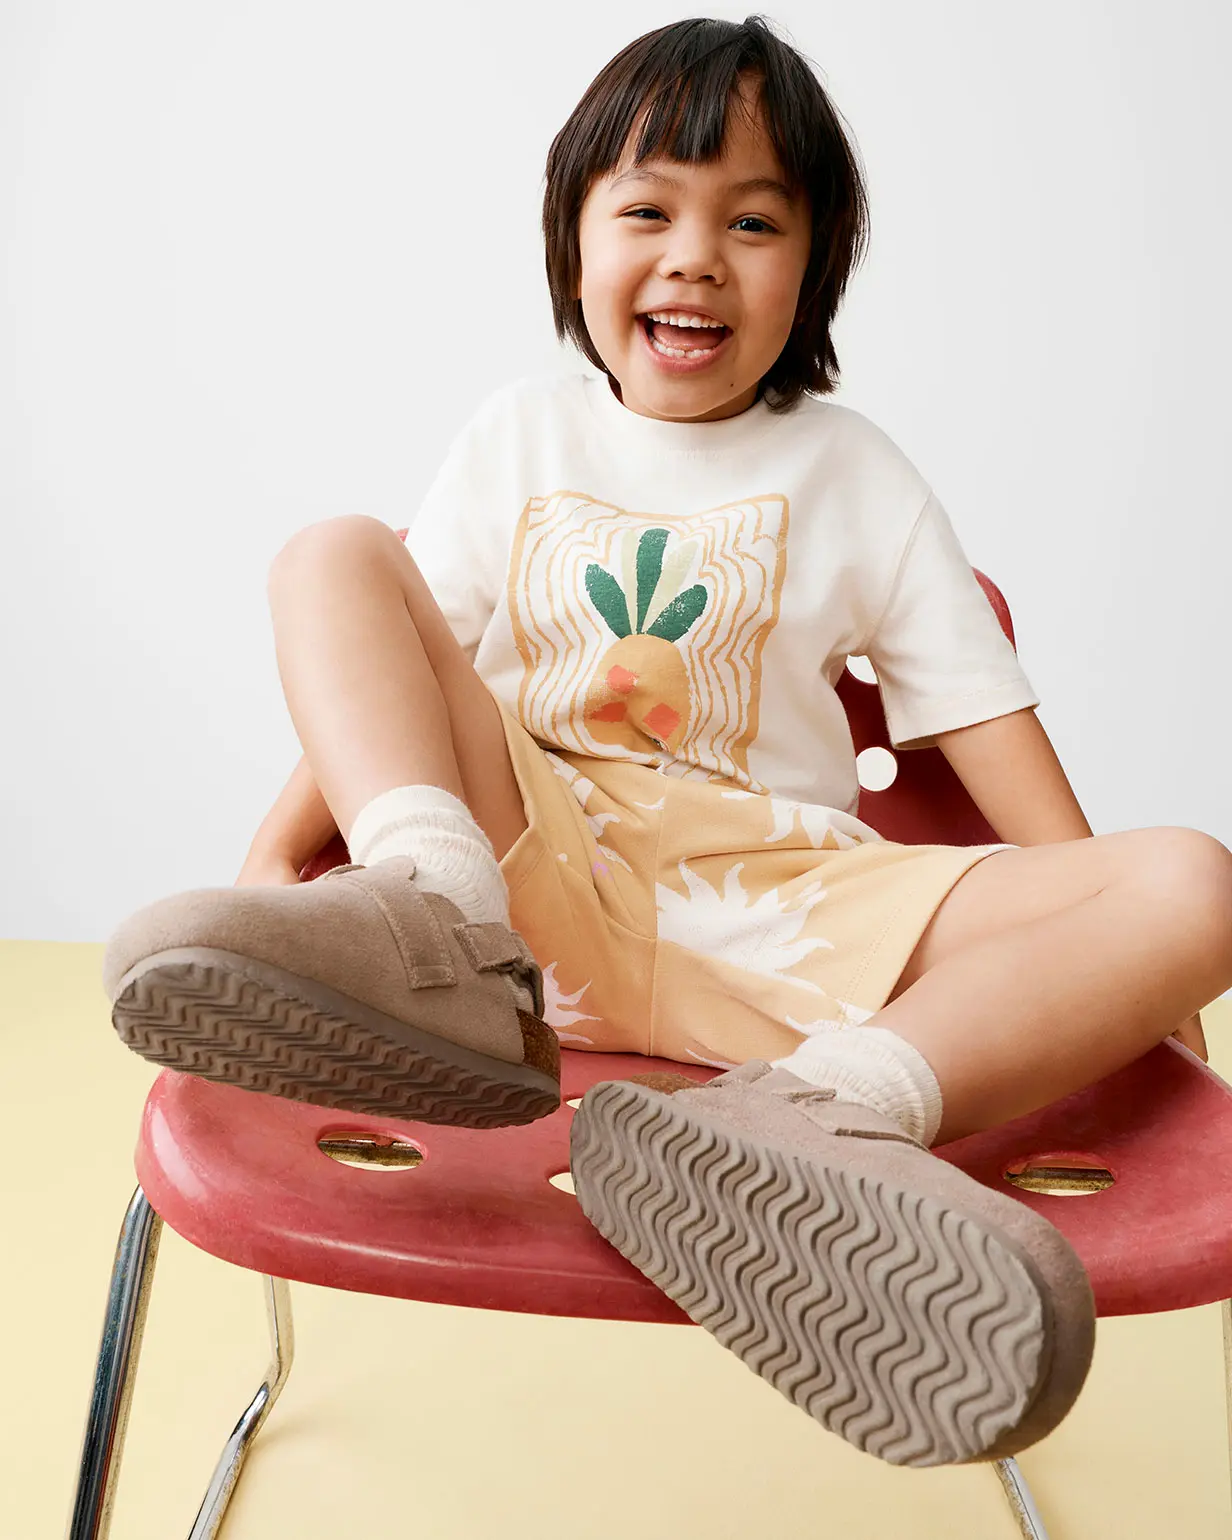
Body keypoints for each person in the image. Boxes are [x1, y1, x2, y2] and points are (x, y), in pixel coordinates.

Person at [102, 16, 1232, 1471]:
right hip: (529, 897)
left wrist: (1134, 969)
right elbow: (392, 651)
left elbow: (998, 743)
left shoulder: (858, 473)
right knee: (331, 554)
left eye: (753, 222)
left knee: (1200, 882)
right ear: (573, 245)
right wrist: (274, 868)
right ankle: (426, 931)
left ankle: (816, 1124)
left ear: (814, 268)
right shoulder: (516, 436)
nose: (697, 254)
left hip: (796, 930)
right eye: (649, 210)